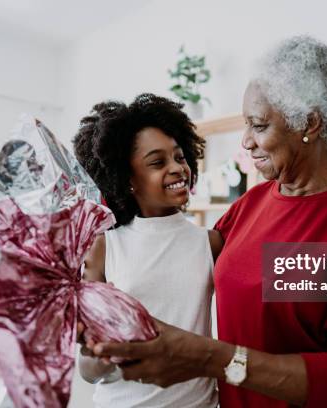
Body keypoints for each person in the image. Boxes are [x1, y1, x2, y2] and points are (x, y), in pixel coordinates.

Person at [89, 35, 327, 408]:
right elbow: (171, 251)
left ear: (310, 123)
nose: (246, 142)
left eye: (258, 125)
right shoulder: (250, 206)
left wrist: (211, 358)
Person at [72, 94, 222, 408]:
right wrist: (103, 355)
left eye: (180, 157)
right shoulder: (104, 246)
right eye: (157, 162)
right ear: (127, 180)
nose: (177, 169)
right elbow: (86, 369)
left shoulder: (210, 243)